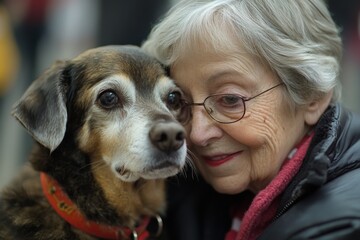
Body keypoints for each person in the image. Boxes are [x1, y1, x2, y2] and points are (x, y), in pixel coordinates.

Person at [141, 0, 360, 239]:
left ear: (311, 96)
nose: (197, 134)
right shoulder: (180, 194)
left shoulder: (343, 227)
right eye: (179, 102)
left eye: (230, 100)